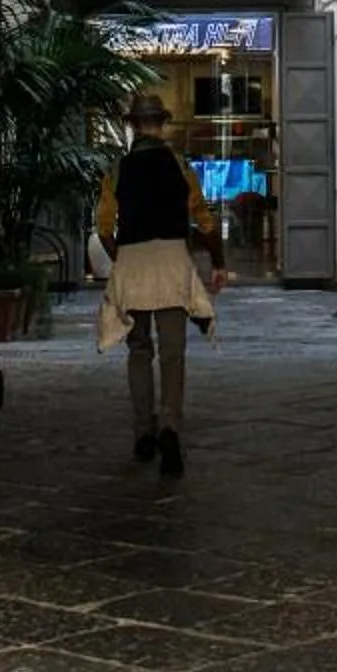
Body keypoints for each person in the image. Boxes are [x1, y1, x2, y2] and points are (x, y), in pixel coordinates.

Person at [94, 91, 225, 478]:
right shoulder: (180, 164)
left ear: (133, 125)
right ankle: (169, 426)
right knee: (173, 353)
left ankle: (142, 433)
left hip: (134, 260)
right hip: (172, 261)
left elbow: (103, 227)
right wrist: (217, 261)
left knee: (138, 352)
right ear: (162, 124)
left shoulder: (117, 169)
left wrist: (121, 257)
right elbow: (204, 218)